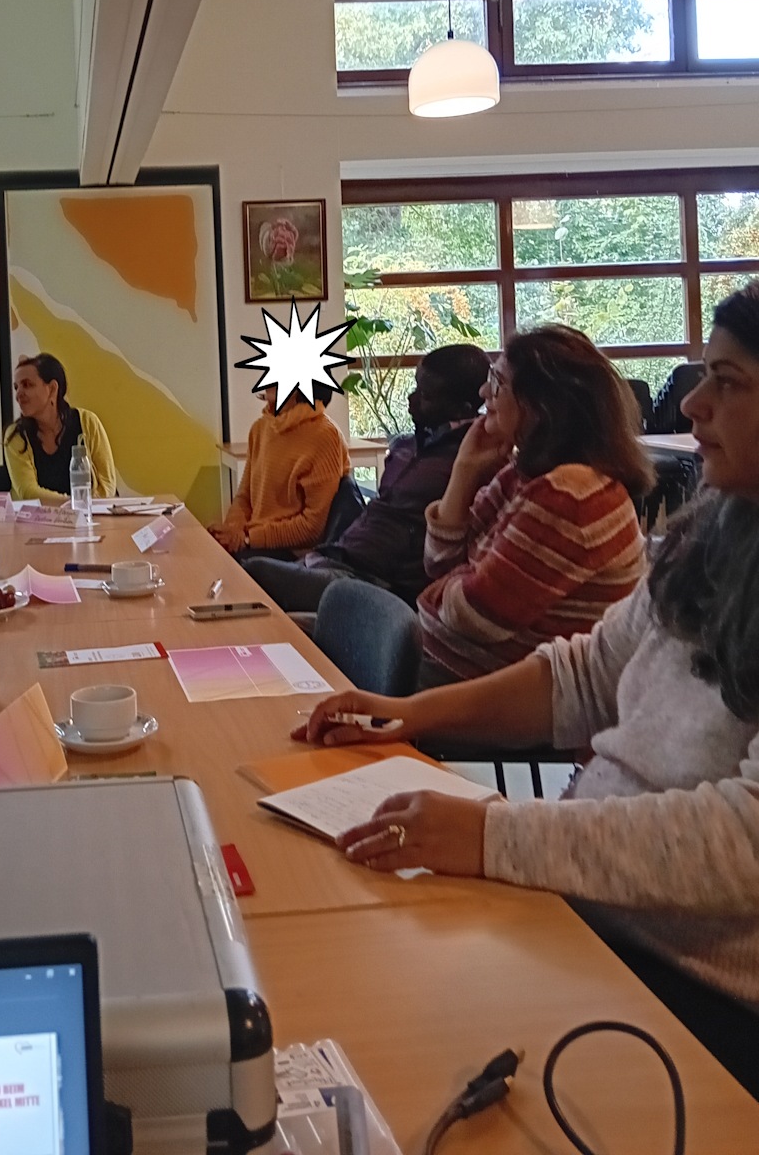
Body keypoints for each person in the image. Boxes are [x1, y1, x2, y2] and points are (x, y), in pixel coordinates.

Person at [293, 282, 759, 1099]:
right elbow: (583, 674)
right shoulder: (715, 532)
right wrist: (409, 713)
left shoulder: (584, 496)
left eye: (728, 381)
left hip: (693, 989)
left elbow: (745, 843)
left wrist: (493, 836)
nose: (692, 403)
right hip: (591, 907)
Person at [314, 324, 653, 690]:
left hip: (487, 693)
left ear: (540, 406)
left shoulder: (570, 495)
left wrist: (447, 589)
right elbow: (438, 563)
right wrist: (464, 472)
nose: (483, 392)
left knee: (307, 673)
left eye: (498, 382)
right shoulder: (522, 475)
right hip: (446, 664)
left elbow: (474, 617)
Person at [245, 343, 490, 615]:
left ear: (461, 409)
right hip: (338, 558)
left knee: (251, 575)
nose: (411, 398)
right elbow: (244, 496)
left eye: (425, 395)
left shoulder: (469, 462)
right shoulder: (405, 447)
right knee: (239, 577)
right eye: (416, 387)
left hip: (373, 582)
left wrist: (247, 537)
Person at [209, 387, 350, 558]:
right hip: (254, 542)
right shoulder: (260, 428)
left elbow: (313, 528)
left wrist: (248, 538)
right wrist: (232, 530)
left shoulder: (324, 435)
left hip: (295, 554)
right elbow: (244, 497)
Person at [2, 353, 115, 505]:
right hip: (37, 519)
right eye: (16, 387)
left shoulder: (87, 422)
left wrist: (84, 508)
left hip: (92, 515)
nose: (18, 395)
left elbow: (107, 485)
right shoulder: (15, 435)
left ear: (52, 389)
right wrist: (75, 505)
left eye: (27, 385)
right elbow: (28, 492)